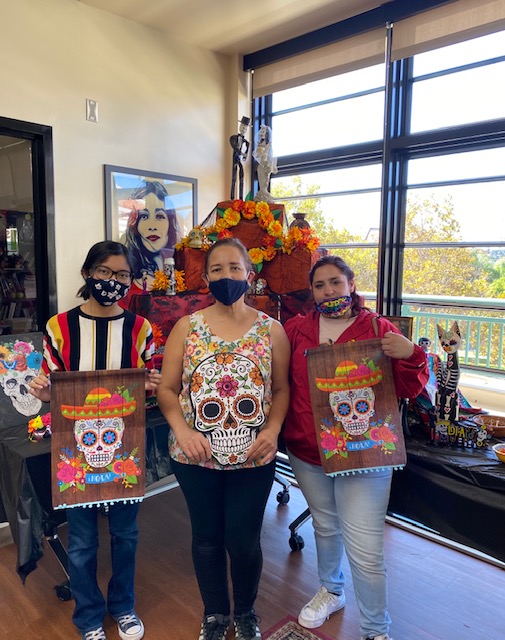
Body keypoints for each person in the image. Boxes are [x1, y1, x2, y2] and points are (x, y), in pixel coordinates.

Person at [283, 255, 428, 640]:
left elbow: (410, 389)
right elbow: (281, 384)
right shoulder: (296, 329)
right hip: (308, 451)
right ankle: (331, 590)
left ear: (350, 284)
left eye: (335, 282)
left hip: (365, 452)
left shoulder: (378, 329)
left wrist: (411, 355)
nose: (328, 291)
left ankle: (375, 629)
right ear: (311, 291)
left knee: (365, 547)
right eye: (319, 285)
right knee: (326, 527)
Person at [157, 237, 290, 640]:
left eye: (235, 268)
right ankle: (215, 613)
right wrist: (182, 429)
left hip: (254, 455)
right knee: (207, 539)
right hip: (194, 456)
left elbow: (282, 389)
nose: (226, 275)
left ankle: (246, 611)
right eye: (217, 269)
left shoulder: (273, 331)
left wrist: (271, 429)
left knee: (244, 542)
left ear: (250, 274)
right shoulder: (186, 328)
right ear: (205, 277)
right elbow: (166, 389)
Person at [29, 240, 161, 640]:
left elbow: (146, 386)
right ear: (88, 273)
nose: (113, 281)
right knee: (83, 541)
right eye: (105, 272)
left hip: (125, 445)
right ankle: (88, 616)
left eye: (122, 275)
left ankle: (123, 606)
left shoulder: (141, 330)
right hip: (75, 446)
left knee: (126, 534)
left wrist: (152, 385)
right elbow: (55, 388)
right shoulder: (58, 327)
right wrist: (42, 390)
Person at [121, 180, 179, 293]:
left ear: (170, 223)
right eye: (144, 216)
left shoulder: (184, 272)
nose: (152, 226)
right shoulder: (125, 280)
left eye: (160, 216)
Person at [253, 124, 277, 203]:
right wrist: (259, 152)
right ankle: (261, 192)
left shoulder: (268, 144)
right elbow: (257, 155)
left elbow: (269, 155)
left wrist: (268, 163)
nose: (262, 133)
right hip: (261, 164)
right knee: (261, 178)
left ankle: (264, 193)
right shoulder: (259, 144)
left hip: (266, 163)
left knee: (265, 179)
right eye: (261, 131)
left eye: (264, 131)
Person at [229, 116, 251, 200]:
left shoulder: (247, 143)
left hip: (240, 159)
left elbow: (247, 152)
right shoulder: (233, 138)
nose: (243, 129)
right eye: (242, 127)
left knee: (241, 176)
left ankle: (241, 197)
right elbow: (235, 147)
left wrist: (245, 155)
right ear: (239, 126)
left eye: (245, 128)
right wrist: (241, 153)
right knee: (234, 177)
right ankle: (232, 197)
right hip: (235, 157)